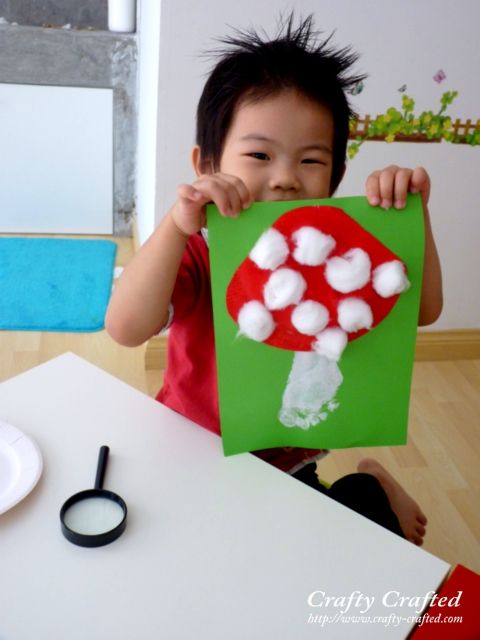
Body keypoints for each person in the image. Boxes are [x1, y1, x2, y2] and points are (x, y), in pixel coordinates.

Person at [105, 15, 442, 546]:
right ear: (207, 164)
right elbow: (125, 327)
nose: (285, 176)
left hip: (289, 456)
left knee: (336, 550)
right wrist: (175, 224)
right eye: (260, 155)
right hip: (191, 450)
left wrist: (411, 217)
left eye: (310, 160)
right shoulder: (196, 251)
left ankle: (371, 483)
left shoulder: (335, 254)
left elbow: (423, 311)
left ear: (333, 181)